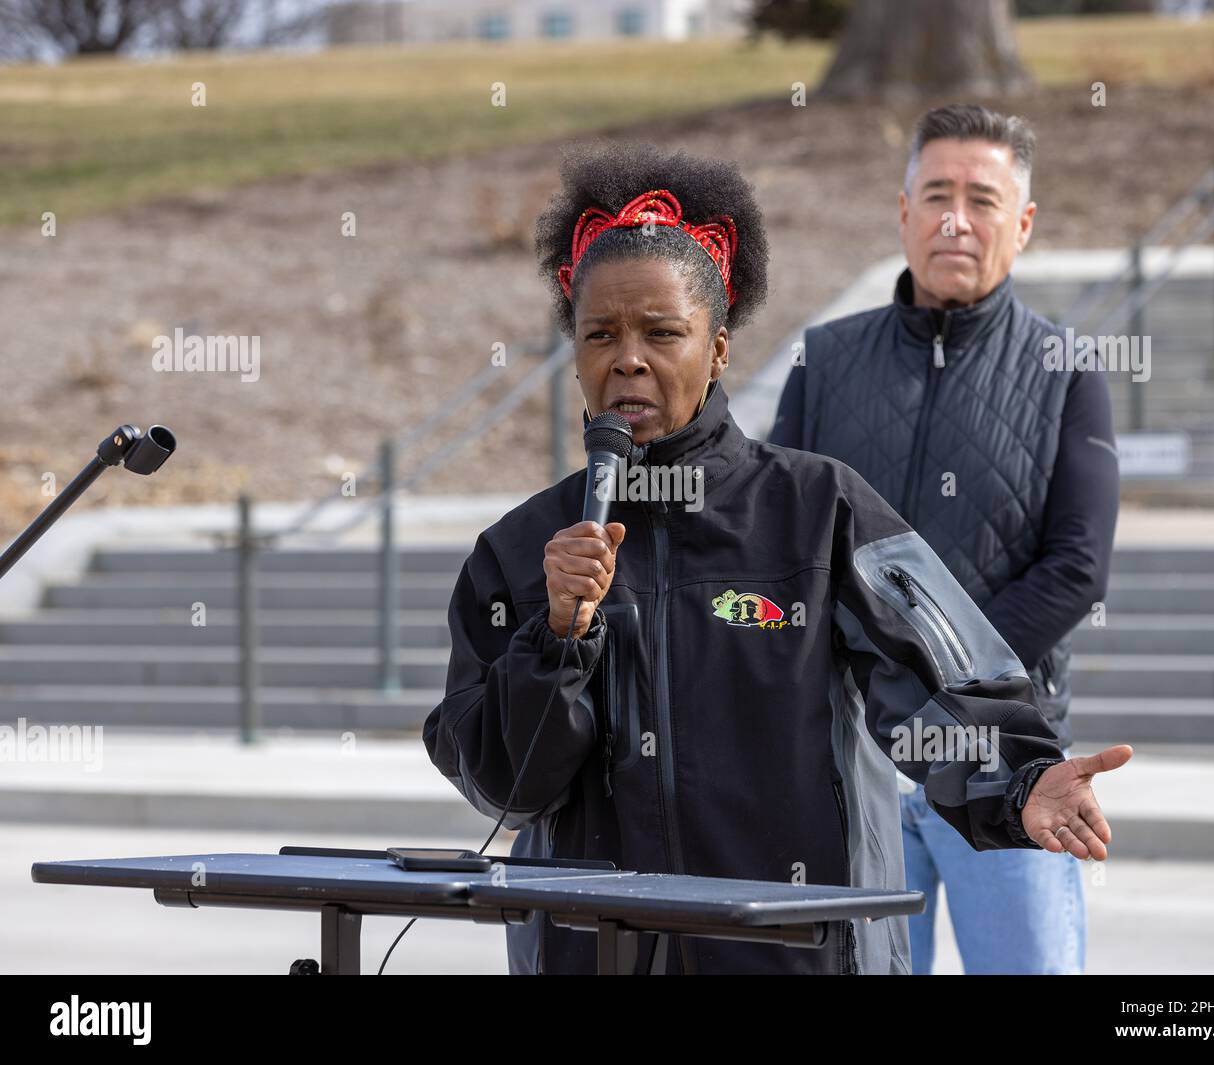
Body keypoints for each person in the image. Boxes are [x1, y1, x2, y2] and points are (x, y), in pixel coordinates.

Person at [423, 141, 1130, 975]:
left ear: (718, 348)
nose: (629, 359)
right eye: (600, 334)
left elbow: (938, 682)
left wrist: (1018, 781)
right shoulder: (518, 551)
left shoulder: (818, 509)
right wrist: (556, 636)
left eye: (662, 331)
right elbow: (505, 784)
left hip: (798, 958)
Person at [769, 104, 1122, 974]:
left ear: (1024, 224)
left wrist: (942, 682)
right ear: (903, 214)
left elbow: (1075, 569)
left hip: (1008, 768)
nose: (955, 218)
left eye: (983, 198)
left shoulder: (1065, 371)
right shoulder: (824, 359)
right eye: (935, 195)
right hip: (851, 770)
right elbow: (780, 537)